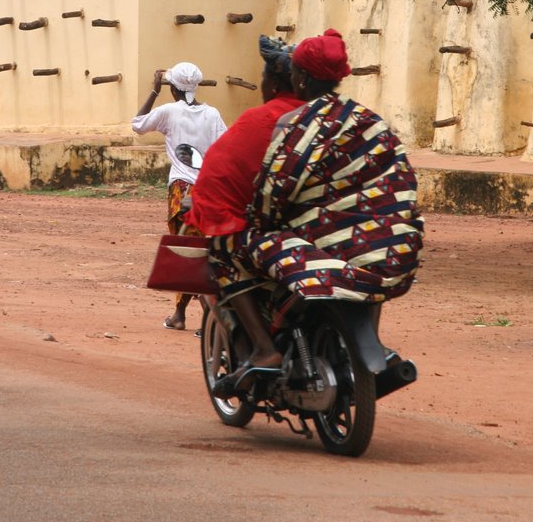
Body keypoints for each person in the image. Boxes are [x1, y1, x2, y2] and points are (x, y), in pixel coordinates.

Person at [208, 28, 424, 386]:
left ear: (302, 78)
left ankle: (264, 349)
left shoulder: (295, 126)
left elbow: (274, 191)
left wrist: (262, 221)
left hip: (331, 245)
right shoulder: (371, 122)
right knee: (369, 256)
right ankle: (369, 339)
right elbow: (401, 181)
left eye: (294, 71)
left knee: (226, 249)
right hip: (395, 246)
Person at [132, 61, 227, 330]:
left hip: (182, 192)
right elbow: (226, 147)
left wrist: (153, 91)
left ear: (172, 88)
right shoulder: (213, 115)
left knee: (188, 254)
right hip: (209, 192)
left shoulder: (169, 111)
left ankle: (205, 319)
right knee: (205, 252)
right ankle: (185, 315)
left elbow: (137, 125)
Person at [186, 35, 303, 238]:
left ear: (273, 83)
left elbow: (216, 179)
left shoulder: (258, 120)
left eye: (263, 79)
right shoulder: (326, 117)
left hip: (258, 237)